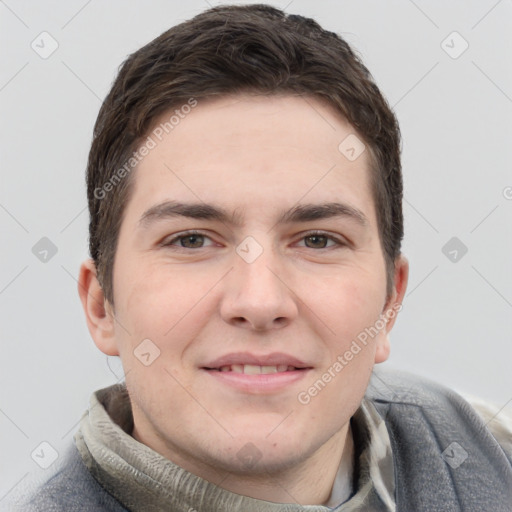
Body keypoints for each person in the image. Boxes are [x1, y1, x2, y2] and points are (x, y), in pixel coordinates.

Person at [5, 4, 511, 511]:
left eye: (317, 240)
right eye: (191, 240)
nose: (260, 300)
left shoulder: (483, 447)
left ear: (390, 303)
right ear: (101, 306)